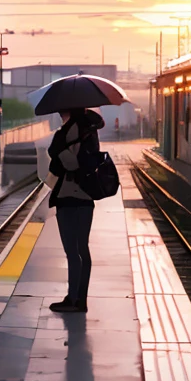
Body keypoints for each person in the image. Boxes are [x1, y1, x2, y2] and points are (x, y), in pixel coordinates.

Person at [46, 107, 105, 313]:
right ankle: (80, 298)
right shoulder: (91, 132)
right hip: (86, 198)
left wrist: (59, 148)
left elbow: (71, 164)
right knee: (82, 250)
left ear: (69, 111)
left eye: (62, 111)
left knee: (73, 251)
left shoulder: (71, 132)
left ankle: (74, 299)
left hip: (70, 197)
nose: (60, 114)